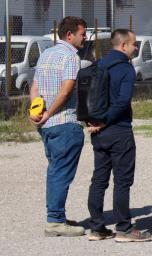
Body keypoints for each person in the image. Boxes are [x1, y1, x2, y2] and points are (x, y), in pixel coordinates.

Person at [86, 29, 151, 243]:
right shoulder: (126, 69)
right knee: (122, 181)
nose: (136, 48)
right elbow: (122, 102)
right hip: (119, 129)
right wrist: (106, 120)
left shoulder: (98, 65)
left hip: (98, 131)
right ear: (123, 45)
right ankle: (123, 228)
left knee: (99, 179)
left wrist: (94, 121)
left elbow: (87, 97)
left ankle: (96, 227)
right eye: (134, 44)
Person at [29, 16, 88, 237]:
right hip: (63, 122)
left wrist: (37, 113)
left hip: (46, 126)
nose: (85, 37)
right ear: (70, 35)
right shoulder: (71, 57)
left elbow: (34, 88)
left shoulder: (46, 54)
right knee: (60, 173)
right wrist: (49, 114)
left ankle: (58, 216)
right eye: (82, 33)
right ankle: (54, 221)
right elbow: (66, 91)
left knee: (55, 169)